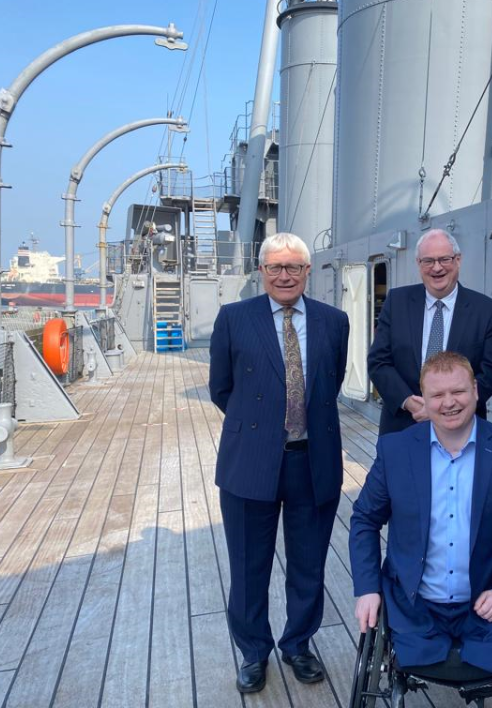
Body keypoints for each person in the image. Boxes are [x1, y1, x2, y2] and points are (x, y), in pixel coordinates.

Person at [209, 232, 350, 694]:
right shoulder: (233, 318)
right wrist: (263, 425)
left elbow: (329, 382)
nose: (285, 275)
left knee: (309, 563)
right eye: (275, 267)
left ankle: (298, 644)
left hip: (314, 460)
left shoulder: (335, 321)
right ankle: (253, 652)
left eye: (294, 267)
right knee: (249, 564)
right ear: (262, 271)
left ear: (308, 272)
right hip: (251, 460)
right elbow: (221, 389)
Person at [350, 351, 492, 675]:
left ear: (476, 391)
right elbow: (365, 520)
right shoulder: (395, 450)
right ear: (423, 399)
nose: (449, 402)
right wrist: (367, 588)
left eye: (458, 391)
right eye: (437, 395)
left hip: (486, 604)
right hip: (414, 607)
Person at [368, 228, 492, 435]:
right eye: (428, 261)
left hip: (462, 428)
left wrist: (443, 407)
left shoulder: (485, 310)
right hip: (404, 424)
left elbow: (491, 371)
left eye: (444, 259)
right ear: (418, 264)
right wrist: (410, 402)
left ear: (458, 260)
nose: (437, 268)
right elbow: (379, 361)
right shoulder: (396, 302)